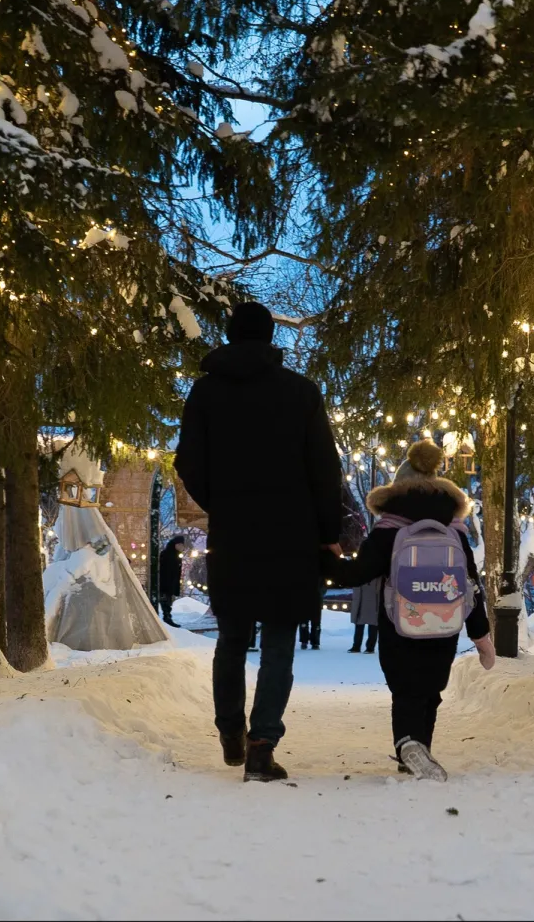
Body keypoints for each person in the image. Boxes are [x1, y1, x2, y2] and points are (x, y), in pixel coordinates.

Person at [176, 302, 344, 782]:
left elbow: (188, 462)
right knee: (279, 641)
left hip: (233, 533)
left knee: (231, 638)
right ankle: (261, 746)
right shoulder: (301, 393)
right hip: (291, 535)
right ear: (271, 338)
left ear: (229, 336)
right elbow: (324, 469)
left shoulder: (205, 394)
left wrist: (221, 502)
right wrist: (328, 533)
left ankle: (229, 730)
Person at [339, 439, 496, 781]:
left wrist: (324, 559)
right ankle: (420, 745)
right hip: (445, 620)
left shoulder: (389, 527)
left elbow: (358, 573)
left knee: (405, 688)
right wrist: (480, 633)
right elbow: (470, 582)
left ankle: (408, 744)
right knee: (431, 689)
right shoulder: (454, 528)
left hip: (400, 621)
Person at [155, 535, 184, 627]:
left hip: (169, 582)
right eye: (181, 545)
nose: (182, 547)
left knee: (167, 601)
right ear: (176, 544)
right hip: (166, 583)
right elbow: (166, 570)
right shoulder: (168, 554)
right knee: (165, 601)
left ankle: (167, 617)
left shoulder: (174, 554)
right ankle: (167, 618)